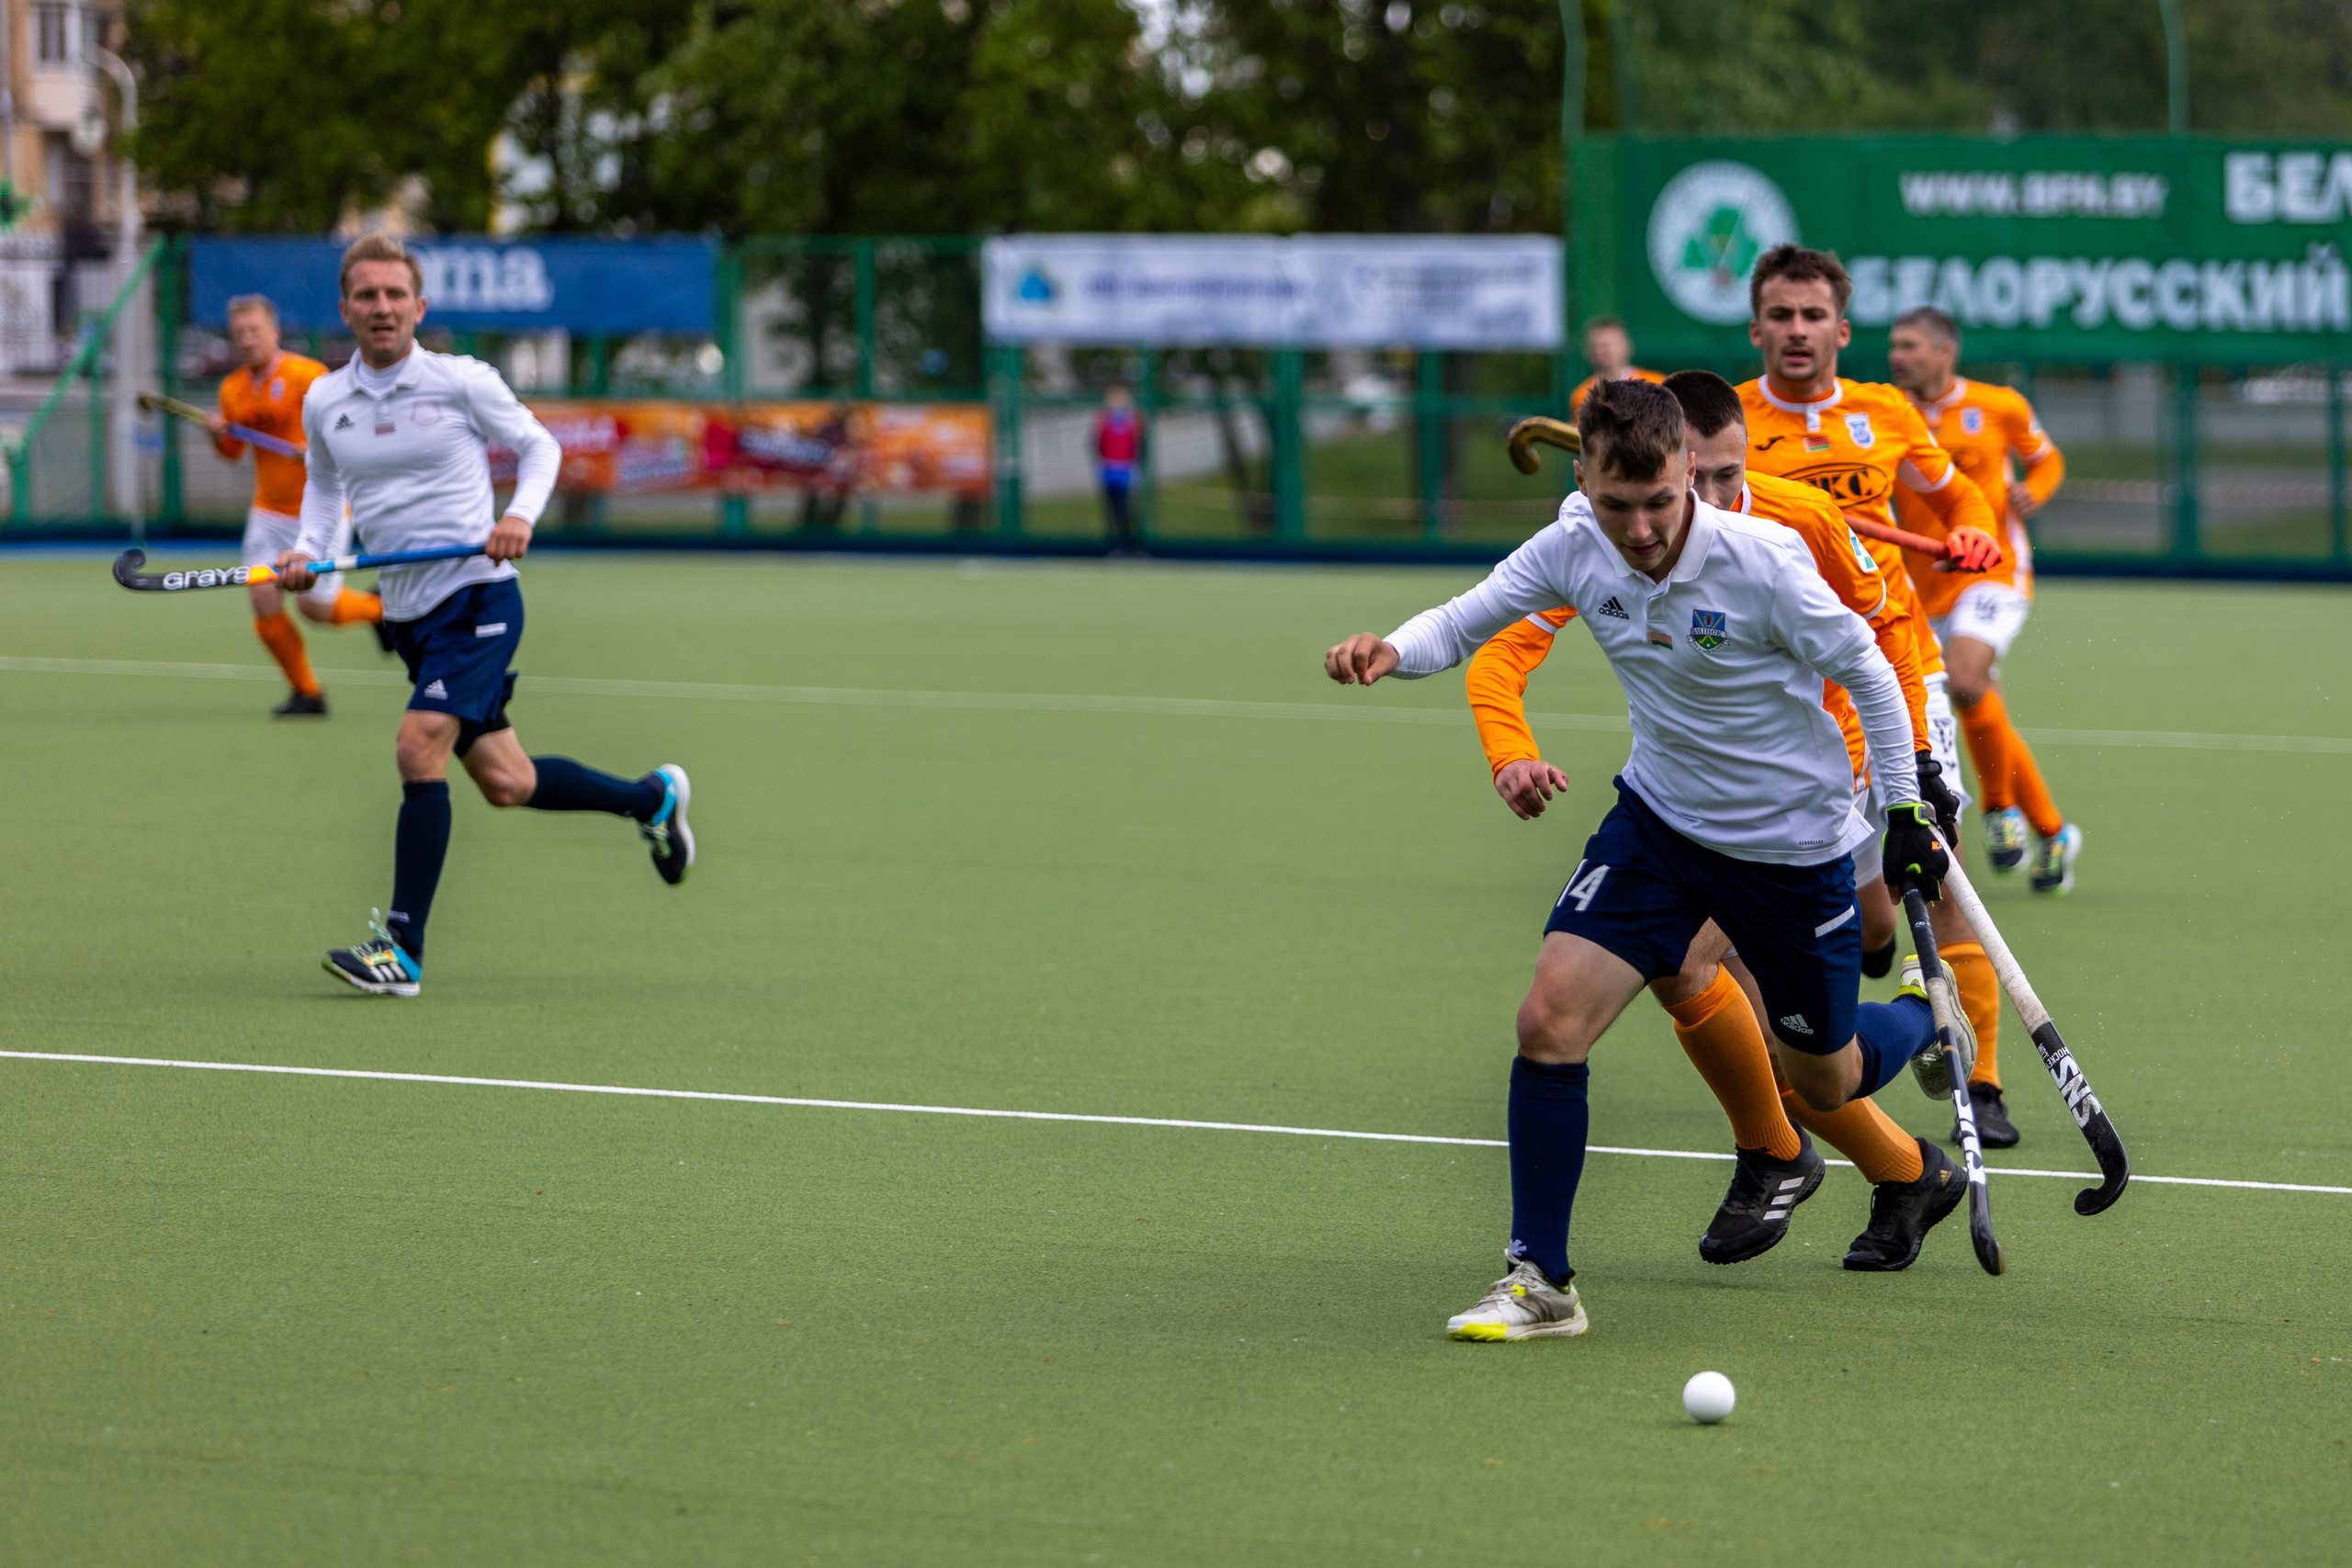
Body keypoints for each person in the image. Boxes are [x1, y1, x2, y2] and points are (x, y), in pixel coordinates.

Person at [1323, 379, 1963, 1340]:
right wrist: (1390, 648)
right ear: (1584, 480)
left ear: (1685, 477)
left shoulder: (1762, 558)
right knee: (1549, 1019)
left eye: (1661, 501)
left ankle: (1924, 1008)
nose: (1641, 528)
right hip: (1660, 827)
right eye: (1618, 505)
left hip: (1791, 851)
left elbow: (1869, 669)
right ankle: (1541, 1281)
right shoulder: (1576, 540)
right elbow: (1466, 620)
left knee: (1822, 1081)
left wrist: (1904, 807)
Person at [277, 234, 695, 998]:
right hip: (409, 614)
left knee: (415, 747)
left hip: (478, 595)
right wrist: (307, 551)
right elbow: (322, 491)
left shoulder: (462, 382)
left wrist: (520, 518)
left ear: (419, 306)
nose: (381, 308)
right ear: (345, 309)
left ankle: (401, 950)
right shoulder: (325, 400)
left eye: (395, 295)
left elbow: (539, 448)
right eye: (366, 296)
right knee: (509, 780)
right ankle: (652, 799)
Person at [1734, 245, 2022, 1150]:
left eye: (1811, 317)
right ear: (1756, 329)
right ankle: (1860, 998)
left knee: (1935, 859)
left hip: (1896, 662)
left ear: (1840, 330)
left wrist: (1972, 534)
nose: (1795, 331)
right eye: (1779, 316)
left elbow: (1958, 495)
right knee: (1858, 913)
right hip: (1788, 686)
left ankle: (1979, 1080)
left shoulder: (1885, 413)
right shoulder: (1727, 427)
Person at [1886, 307, 2082, 901]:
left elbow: (2047, 458)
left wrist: (2035, 489)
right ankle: (2053, 830)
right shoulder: (1883, 414)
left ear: (1944, 351)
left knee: (1966, 682)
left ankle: (1998, 808)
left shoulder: (2000, 405)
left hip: (1994, 569)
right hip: (1922, 584)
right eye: (1895, 345)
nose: (1898, 355)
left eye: (1910, 345)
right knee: (1976, 698)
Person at [208, 293, 386, 716]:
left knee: (314, 608)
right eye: (239, 334)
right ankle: (307, 692)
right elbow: (233, 452)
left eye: (255, 331)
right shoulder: (231, 389)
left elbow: (347, 424)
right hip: (267, 512)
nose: (247, 340)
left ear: (274, 332)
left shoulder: (308, 375)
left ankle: (381, 610)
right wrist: (217, 435)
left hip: (320, 512)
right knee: (263, 600)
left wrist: (314, 446)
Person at [1566, 317, 1666, 414]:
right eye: (1596, 346)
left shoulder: (1656, 384)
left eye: (1608, 346)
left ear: (1626, 346)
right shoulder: (1581, 396)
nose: (1603, 352)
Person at [1094, 385, 1143, 549]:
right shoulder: (1102, 419)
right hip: (1109, 471)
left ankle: (1130, 545)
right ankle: (1112, 546)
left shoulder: (1133, 420)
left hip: (1127, 471)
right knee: (1110, 510)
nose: (1117, 402)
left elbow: (1139, 445)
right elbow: (1097, 444)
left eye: (1120, 398)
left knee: (1127, 509)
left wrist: (1135, 467)